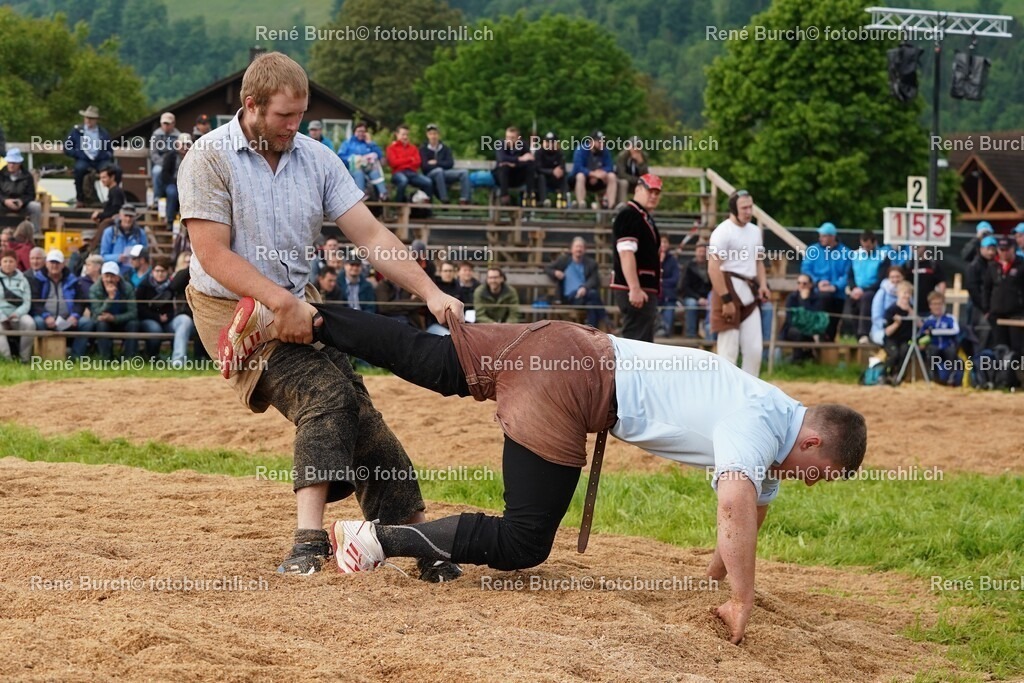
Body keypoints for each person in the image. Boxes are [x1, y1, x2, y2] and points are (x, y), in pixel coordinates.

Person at [221, 297, 867, 646]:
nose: (813, 483)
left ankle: (306, 313)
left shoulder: (778, 426)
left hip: (570, 348)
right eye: (822, 473)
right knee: (524, 540)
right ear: (812, 440)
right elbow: (734, 503)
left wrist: (717, 578)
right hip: (575, 382)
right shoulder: (759, 425)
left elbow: (750, 510)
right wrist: (741, 600)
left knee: (440, 363)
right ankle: (373, 540)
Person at [177, 52, 464, 577]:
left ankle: (414, 538)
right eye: (285, 116)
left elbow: (372, 234)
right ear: (252, 106)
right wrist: (280, 302)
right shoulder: (207, 157)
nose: (295, 126)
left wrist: (430, 292)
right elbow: (214, 254)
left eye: (301, 116)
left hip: (295, 305)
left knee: (362, 413)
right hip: (230, 313)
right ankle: (307, 542)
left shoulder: (316, 159)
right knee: (325, 394)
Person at [709, 190, 770, 376]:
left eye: (750, 207)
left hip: (749, 294)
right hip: (728, 290)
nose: (748, 211)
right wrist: (726, 299)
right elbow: (713, 267)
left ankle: (750, 396)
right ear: (734, 209)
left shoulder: (754, 231)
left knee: (754, 351)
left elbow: (758, 261)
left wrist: (763, 285)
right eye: (744, 207)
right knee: (728, 353)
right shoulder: (722, 231)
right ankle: (725, 397)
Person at [611, 173, 662, 341]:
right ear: (638, 189)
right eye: (650, 191)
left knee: (642, 344)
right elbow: (626, 252)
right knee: (635, 343)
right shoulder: (629, 215)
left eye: (657, 193)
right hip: (635, 289)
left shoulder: (642, 216)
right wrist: (634, 288)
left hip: (643, 289)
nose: (654, 196)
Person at [30, 250, 90, 358]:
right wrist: (46, 316)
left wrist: (75, 316)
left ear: (63, 264)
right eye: (52, 262)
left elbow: (80, 301)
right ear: (46, 263)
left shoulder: (72, 280)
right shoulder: (38, 279)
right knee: (38, 322)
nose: (54, 265)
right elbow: (35, 302)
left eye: (57, 263)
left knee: (86, 323)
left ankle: (76, 357)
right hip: (46, 318)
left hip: (68, 318)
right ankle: (44, 354)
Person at [136, 257, 194, 365]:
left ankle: (178, 361)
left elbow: (176, 307)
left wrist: (168, 316)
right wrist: (157, 317)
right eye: (157, 271)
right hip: (149, 320)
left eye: (163, 271)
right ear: (152, 271)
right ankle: (152, 357)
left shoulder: (173, 286)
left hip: (169, 320)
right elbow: (140, 308)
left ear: (167, 272)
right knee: (155, 328)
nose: (160, 274)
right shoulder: (144, 285)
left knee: (185, 320)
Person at [800, 222, 850, 341]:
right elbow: (805, 269)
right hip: (817, 291)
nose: (820, 238)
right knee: (823, 299)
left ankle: (828, 343)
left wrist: (835, 286)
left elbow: (848, 274)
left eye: (823, 236)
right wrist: (818, 282)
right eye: (820, 235)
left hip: (838, 294)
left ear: (832, 237)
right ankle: (819, 334)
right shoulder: (813, 250)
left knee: (834, 319)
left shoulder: (845, 252)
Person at [544, 237, 606, 329]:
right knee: (593, 295)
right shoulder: (563, 261)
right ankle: (606, 321)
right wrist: (555, 272)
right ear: (572, 249)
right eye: (577, 247)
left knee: (591, 305)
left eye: (581, 247)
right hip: (570, 298)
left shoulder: (591, 263)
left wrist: (584, 287)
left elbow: (594, 279)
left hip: (585, 297)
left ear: (585, 250)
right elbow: (547, 268)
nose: (579, 249)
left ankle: (591, 330)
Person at [982, 236, 1024, 357]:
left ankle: (1016, 373)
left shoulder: (1021, 265)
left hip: (1016, 313)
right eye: (1001, 249)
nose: (1004, 252)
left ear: (1013, 249)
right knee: (1000, 347)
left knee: (1017, 347)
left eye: (1007, 249)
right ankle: (1001, 375)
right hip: (997, 313)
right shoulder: (992, 266)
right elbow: (986, 288)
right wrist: (986, 309)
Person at [844, 230, 889, 344]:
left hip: (874, 290)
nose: (866, 248)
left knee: (866, 298)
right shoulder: (856, 255)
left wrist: (863, 290)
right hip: (857, 289)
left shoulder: (883, 257)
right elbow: (850, 275)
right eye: (864, 246)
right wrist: (853, 288)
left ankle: (864, 333)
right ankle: (857, 335)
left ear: (874, 243)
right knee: (852, 301)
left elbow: (881, 279)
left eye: (868, 246)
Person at [89, 261, 140, 359]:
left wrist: (114, 318)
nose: (109, 279)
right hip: (104, 321)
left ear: (118, 277)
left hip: (122, 320)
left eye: (112, 276)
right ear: (102, 277)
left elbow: (133, 313)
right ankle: (106, 358)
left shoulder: (127, 288)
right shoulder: (95, 289)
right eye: (106, 276)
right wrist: (110, 299)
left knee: (134, 324)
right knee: (101, 325)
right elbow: (97, 312)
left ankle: (129, 358)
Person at [65, 105, 113, 205]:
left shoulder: (103, 133)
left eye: (91, 118)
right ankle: (80, 198)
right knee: (79, 169)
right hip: (84, 159)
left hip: (100, 160)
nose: (88, 120)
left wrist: (106, 155)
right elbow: (67, 146)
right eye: (87, 117)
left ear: (96, 120)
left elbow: (109, 149)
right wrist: (77, 154)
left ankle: (112, 197)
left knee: (114, 170)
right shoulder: (77, 131)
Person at [420, 124, 471, 205]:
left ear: (439, 135)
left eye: (435, 134)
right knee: (438, 171)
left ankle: (465, 199)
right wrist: (441, 165)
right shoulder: (423, 149)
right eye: (431, 134)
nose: (433, 136)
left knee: (464, 172)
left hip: (445, 173)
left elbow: (450, 163)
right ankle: (444, 199)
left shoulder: (445, 148)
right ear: (427, 135)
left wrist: (437, 162)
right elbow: (424, 166)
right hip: (430, 175)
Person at [0, 249, 36, 362]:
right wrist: (2, 317)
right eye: (5, 261)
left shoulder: (23, 280)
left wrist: (17, 313)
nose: (8, 264)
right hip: (1, 315)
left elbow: (27, 302)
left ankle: (24, 358)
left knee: (30, 324)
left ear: (16, 263)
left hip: (18, 314)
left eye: (11, 261)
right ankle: (7, 360)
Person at [919, 291, 960, 385]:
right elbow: (921, 334)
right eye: (934, 304)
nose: (937, 307)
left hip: (947, 346)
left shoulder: (950, 318)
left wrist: (934, 332)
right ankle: (934, 380)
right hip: (934, 346)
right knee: (931, 352)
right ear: (930, 306)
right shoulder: (928, 320)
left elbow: (955, 330)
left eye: (939, 304)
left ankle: (951, 379)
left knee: (951, 352)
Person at [338, 122, 388, 200]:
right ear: (354, 132)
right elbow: (340, 156)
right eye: (359, 131)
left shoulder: (368, 143)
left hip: (367, 167)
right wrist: (353, 158)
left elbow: (379, 154)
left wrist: (370, 143)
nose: (361, 133)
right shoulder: (347, 143)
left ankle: (383, 194)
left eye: (363, 131)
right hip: (353, 168)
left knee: (375, 171)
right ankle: (361, 195)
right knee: (359, 173)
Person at [965, 235, 997, 351]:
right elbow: (973, 289)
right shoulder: (974, 266)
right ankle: (977, 365)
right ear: (981, 249)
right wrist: (985, 308)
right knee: (979, 336)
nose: (991, 252)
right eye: (988, 249)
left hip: (992, 308)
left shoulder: (994, 265)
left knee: (992, 338)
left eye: (993, 249)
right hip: (978, 308)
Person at [781, 275, 824, 363]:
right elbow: (790, 319)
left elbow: (813, 318)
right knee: (798, 332)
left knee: (812, 334)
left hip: (811, 329)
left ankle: (803, 358)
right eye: (799, 283)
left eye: (804, 283)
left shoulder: (816, 298)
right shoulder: (792, 297)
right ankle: (798, 359)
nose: (801, 286)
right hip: (792, 328)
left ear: (810, 285)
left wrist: (804, 301)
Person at [385, 125, 433, 203]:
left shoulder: (413, 148)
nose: (405, 137)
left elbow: (417, 162)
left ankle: (426, 209)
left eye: (407, 134)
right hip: (398, 173)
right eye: (403, 134)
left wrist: (402, 161)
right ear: (397, 135)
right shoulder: (391, 148)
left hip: (411, 173)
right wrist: (409, 159)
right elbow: (393, 163)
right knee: (403, 181)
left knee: (428, 182)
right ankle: (398, 206)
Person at [571, 131, 616, 209]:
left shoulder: (605, 151)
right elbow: (578, 167)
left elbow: (610, 166)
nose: (602, 143)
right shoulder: (581, 150)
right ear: (591, 141)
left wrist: (601, 173)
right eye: (599, 141)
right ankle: (581, 204)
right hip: (583, 180)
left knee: (612, 176)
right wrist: (592, 174)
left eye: (603, 141)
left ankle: (611, 206)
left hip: (599, 180)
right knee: (580, 176)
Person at [0, 149, 42, 232]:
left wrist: (22, 201)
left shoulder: (27, 176)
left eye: (14, 163)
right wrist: (5, 201)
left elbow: (31, 195)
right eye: (9, 162)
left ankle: (35, 233)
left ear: (19, 163)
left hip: (22, 204)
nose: (11, 165)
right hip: (3, 203)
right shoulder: (1, 175)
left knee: (36, 207)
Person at [881, 281, 914, 384]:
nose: (906, 296)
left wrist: (911, 312)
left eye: (909, 293)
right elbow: (887, 332)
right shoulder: (891, 309)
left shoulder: (912, 309)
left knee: (905, 352)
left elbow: (920, 325)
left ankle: (898, 376)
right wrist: (896, 324)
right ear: (898, 294)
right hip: (892, 339)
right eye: (904, 293)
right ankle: (884, 375)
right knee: (894, 354)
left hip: (905, 339)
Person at [493, 126, 536, 206]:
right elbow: (502, 158)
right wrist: (519, 159)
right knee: (504, 167)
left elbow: (530, 160)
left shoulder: (523, 145)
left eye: (512, 138)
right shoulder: (500, 143)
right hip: (502, 178)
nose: (509, 140)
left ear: (518, 138)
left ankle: (529, 195)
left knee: (530, 167)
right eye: (507, 137)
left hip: (517, 176)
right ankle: (504, 196)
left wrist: (514, 164)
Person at [678, 242, 712, 339]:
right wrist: (698, 298)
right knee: (692, 304)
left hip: (708, 296)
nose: (702, 254)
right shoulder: (689, 266)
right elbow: (684, 287)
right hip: (691, 296)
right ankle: (691, 334)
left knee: (713, 302)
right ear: (695, 252)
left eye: (704, 252)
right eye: (700, 251)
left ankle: (709, 336)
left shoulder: (711, 266)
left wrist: (708, 298)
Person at [100, 204, 148, 271]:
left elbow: (145, 254)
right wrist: (117, 258)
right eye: (126, 216)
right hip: (114, 271)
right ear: (120, 216)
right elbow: (103, 256)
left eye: (131, 216)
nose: (128, 219)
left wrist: (136, 259)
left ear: (134, 217)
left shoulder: (140, 233)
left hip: (133, 272)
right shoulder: (109, 232)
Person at [902, 245, 945, 315]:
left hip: (929, 308)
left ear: (924, 246)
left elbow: (941, 283)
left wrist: (939, 302)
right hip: (911, 307)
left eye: (918, 247)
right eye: (913, 247)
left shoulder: (933, 264)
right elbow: (902, 284)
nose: (915, 249)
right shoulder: (908, 265)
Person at [160, 134, 192, 229]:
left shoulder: (194, 156)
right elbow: (164, 174)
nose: (185, 147)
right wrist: (176, 182)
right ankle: (170, 220)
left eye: (188, 144)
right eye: (183, 144)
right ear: (178, 145)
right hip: (172, 183)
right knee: (172, 192)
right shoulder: (170, 156)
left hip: (189, 184)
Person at [869, 266, 905, 346]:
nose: (895, 280)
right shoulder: (882, 292)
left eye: (898, 277)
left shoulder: (907, 292)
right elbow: (876, 316)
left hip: (903, 330)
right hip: (884, 329)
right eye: (892, 277)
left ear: (903, 277)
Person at [149, 112, 180, 202]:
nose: (166, 126)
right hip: (160, 162)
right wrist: (164, 163)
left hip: (174, 163)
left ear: (173, 123)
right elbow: (153, 153)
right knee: (157, 171)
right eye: (164, 123)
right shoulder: (156, 135)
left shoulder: (178, 136)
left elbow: (179, 153)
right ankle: (157, 197)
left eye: (168, 124)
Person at [535, 132, 569, 207]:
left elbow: (562, 167)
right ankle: (543, 201)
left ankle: (565, 200)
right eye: (548, 142)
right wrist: (552, 171)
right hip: (543, 179)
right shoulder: (539, 152)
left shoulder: (559, 153)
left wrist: (560, 171)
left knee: (563, 177)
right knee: (541, 177)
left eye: (552, 142)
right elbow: (538, 168)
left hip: (555, 179)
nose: (550, 144)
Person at [89, 166, 126, 232]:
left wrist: (99, 215)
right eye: (100, 178)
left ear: (112, 177)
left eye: (104, 177)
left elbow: (115, 210)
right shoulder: (113, 191)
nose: (102, 180)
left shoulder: (115, 191)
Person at [658, 235, 680, 337]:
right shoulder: (652, 258)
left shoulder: (673, 261)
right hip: (654, 297)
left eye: (665, 242)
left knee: (669, 311)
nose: (663, 244)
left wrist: (661, 281)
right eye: (661, 242)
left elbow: (675, 279)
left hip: (668, 296)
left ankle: (666, 333)